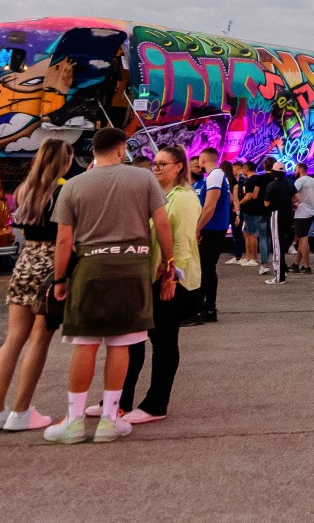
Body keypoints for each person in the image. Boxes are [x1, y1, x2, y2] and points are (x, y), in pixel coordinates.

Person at [43, 127, 174, 445]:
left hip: (90, 268)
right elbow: (163, 222)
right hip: (133, 268)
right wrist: (167, 263)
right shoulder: (144, 180)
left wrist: (60, 279)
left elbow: (64, 239)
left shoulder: (73, 186)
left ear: (93, 152)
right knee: (121, 344)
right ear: (121, 149)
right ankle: (109, 420)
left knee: (85, 343)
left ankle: (73, 421)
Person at [0, 141, 73, 433]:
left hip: (26, 260)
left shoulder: (23, 189)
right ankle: (21, 411)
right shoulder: (63, 191)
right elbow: (63, 237)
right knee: (39, 338)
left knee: (13, 339)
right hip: (50, 262)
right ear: (65, 162)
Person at [117, 145, 203, 424]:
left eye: (162, 164)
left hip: (171, 281)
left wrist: (170, 277)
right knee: (135, 340)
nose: (156, 168)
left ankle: (156, 403)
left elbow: (183, 241)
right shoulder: (158, 194)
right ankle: (120, 399)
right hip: (148, 276)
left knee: (164, 342)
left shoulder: (185, 198)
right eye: (155, 163)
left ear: (179, 166)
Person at [189, 148, 228, 325]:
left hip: (211, 230)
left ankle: (203, 309)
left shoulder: (214, 176)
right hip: (213, 229)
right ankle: (206, 307)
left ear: (203, 160)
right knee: (206, 270)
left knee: (204, 270)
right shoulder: (216, 176)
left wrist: (197, 228)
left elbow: (210, 206)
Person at [262, 160, 295, 285]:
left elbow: (266, 203)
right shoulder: (290, 183)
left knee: (276, 246)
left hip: (277, 215)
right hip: (288, 214)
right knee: (282, 244)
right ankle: (283, 269)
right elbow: (297, 198)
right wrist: (288, 203)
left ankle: (279, 277)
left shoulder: (272, 185)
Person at [236, 160, 269, 266]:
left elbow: (249, 196)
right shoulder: (258, 179)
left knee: (251, 234)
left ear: (246, 169)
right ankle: (248, 257)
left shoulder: (251, 180)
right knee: (247, 233)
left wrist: (238, 204)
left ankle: (253, 258)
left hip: (251, 211)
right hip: (252, 210)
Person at [290, 161, 314, 275]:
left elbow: (293, 194)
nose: (295, 171)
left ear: (301, 169)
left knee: (303, 240)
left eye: (296, 169)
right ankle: (296, 264)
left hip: (302, 213)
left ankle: (307, 266)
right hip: (311, 212)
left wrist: (292, 203)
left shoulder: (300, 180)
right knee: (302, 239)